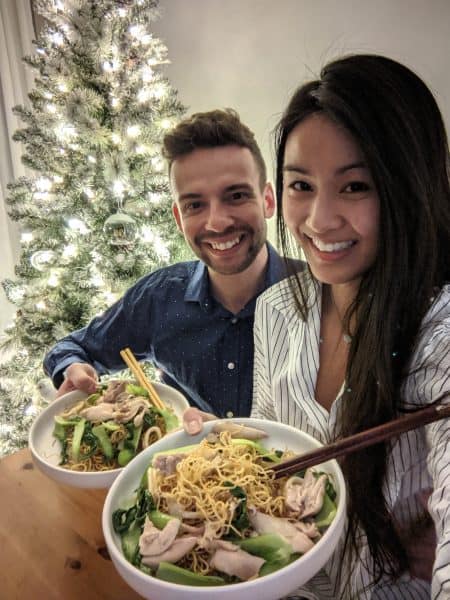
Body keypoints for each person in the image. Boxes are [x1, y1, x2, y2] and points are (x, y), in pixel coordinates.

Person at [250, 54, 450, 598]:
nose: (319, 220)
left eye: (356, 186)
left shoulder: (438, 334)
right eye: (300, 185)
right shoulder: (275, 311)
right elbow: (266, 456)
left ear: (409, 189)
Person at [43, 109, 301, 418]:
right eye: (195, 205)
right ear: (179, 218)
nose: (216, 223)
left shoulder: (318, 294)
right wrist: (73, 367)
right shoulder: (158, 297)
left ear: (268, 201)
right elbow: (72, 349)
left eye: (236, 196)